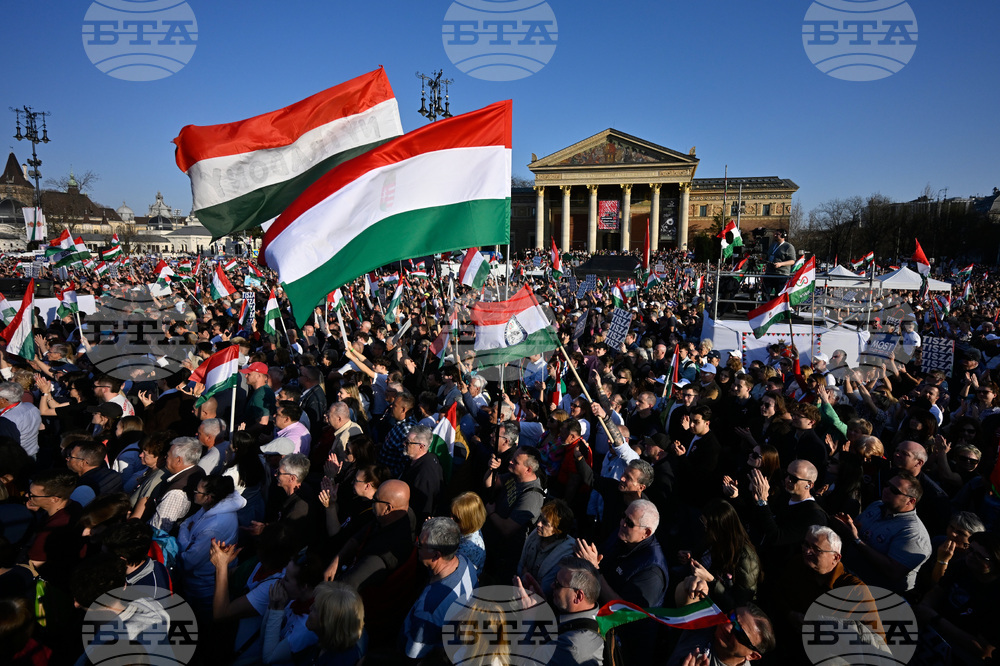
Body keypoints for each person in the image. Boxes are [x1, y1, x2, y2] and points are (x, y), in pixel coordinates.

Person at [833, 471, 932, 594]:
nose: (887, 490)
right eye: (887, 485)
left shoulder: (913, 533)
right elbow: (858, 530)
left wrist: (857, 540)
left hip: (875, 595)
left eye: (895, 490)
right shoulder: (877, 506)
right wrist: (848, 526)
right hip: (846, 578)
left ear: (911, 501)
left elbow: (893, 572)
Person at [401, 517, 477, 660]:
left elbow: (413, 655)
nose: (416, 544)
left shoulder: (428, 610)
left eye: (420, 545)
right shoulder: (465, 563)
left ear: (436, 555)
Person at [177, 475, 246, 613]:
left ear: (208, 497)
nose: (194, 493)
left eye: (197, 492)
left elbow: (189, 561)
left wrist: (184, 537)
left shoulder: (215, 525)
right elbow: (186, 523)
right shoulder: (209, 508)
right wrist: (188, 537)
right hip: (196, 584)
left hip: (204, 590)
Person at [548, 557, 605, 666]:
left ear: (578, 596)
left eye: (557, 584)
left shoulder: (573, 645)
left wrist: (529, 617)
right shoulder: (590, 615)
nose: (552, 585)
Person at [518, 498, 577, 597]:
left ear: (558, 531)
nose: (538, 524)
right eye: (540, 518)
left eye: (545, 523)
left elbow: (545, 588)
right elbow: (521, 565)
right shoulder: (535, 536)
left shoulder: (564, 556)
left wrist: (525, 574)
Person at [305, 582, 367, 665]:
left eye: (315, 609)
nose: (310, 608)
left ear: (329, 622)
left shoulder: (340, 661)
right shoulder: (324, 644)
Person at [400, 424, 444, 523]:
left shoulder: (425, 472)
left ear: (421, 446)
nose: (404, 444)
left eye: (408, 442)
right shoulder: (418, 460)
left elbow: (424, 505)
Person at [450, 491, 487, 575]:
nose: (451, 519)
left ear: (468, 522)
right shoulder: (470, 528)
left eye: (456, 519)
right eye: (451, 514)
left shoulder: (468, 548)